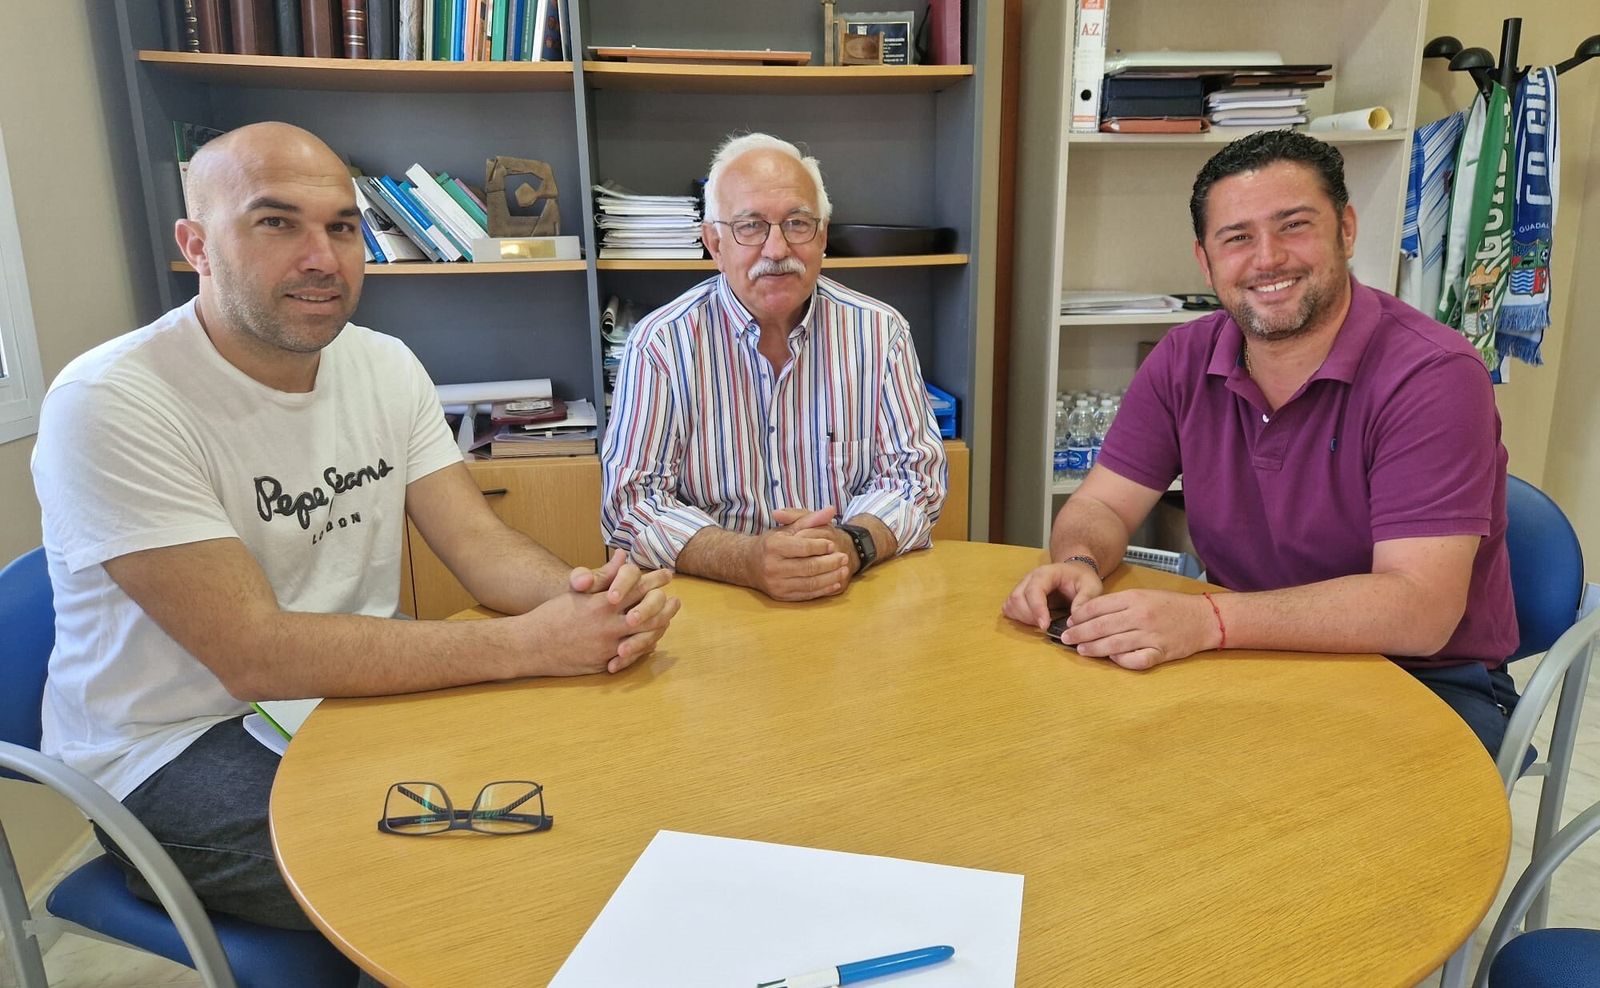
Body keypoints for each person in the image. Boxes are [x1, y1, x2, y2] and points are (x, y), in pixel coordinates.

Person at [30, 122, 681, 931]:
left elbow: (481, 549)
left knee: (584, 791)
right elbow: (254, 654)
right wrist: (528, 645)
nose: (321, 257)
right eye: (276, 223)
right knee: (471, 872)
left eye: (342, 226)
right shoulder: (112, 401)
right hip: (173, 748)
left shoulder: (384, 364)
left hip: (344, 699)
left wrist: (593, 601)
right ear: (197, 245)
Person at [1001, 130, 1519, 754]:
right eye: (1237, 237)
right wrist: (1079, 563)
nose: (1267, 258)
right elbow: (1104, 506)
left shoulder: (1432, 376)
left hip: (1424, 680)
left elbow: (1420, 609)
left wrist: (1207, 621)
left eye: (1294, 225)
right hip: (1246, 654)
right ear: (1206, 260)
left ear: (1346, 230)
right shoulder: (1184, 359)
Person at [601, 132, 947, 602]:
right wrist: (746, 559)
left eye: (797, 224)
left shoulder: (880, 333)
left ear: (822, 236)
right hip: (716, 603)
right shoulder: (660, 345)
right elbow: (630, 506)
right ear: (714, 243)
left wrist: (850, 544)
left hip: (850, 588)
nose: (777, 249)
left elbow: (916, 480)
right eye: (750, 226)